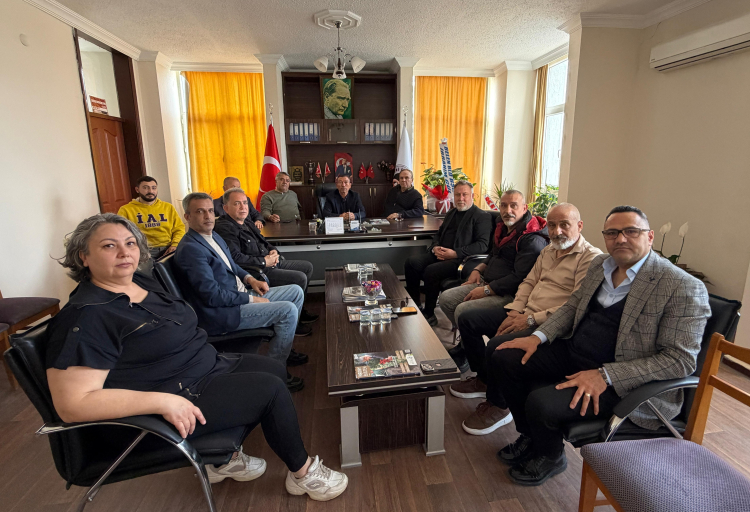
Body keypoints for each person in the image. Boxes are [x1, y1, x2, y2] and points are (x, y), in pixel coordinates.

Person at [45, 213, 347, 501]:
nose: (124, 252)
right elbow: (73, 405)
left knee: (272, 369)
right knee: (271, 391)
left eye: (130, 243)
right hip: (164, 405)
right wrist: (162, 402)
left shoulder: (138, 283)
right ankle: (303, 474)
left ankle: (223, 460)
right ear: (83, 257)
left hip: (199, 370)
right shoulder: (86, 317)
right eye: (109, 246)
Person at [491, 206, 710, 486]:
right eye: (612, 233)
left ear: (650, 236)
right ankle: (531, 435)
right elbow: (572, 306)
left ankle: (551, 455)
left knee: (541, 402)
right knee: (504, 355)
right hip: (577, 352)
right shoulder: (601, 265)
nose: (621, 239)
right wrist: (538, 337)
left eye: (631, 231)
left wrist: (605, 375)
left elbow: (680, 360)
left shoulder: (681, 286)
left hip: (624, 380)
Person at [449, 203, 602, 436]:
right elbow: (528, 282)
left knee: (496, 345)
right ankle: (484, 379)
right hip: (524, 311)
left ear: (579, 225)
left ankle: (499, 405)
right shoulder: (549, 250)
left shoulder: (591, 258)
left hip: (548, 323)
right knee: (468, 319)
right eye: (552, 225)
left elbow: (575, 305)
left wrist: (530, 319)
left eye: (564, 225)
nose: (557, 231)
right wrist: (516, 310)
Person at [173, 192, 307, 391]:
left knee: (295, 291)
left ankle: (284, 347)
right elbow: (212, 296)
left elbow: (232, 265)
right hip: (224, 311)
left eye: (210, 211)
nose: (208, 216)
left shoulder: (213, 236)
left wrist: (250, 279)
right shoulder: (191, 249)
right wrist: (251, 299)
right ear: (187, 216)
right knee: (287, 310)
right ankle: (276, 369)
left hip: (238, 295)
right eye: (200, 212)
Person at [214, 187, 319, 338]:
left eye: (245, 203)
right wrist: (264, 261)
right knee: (299, 278)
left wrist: (274, 251)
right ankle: (293, 324)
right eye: (237, 203)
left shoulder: (247, 222)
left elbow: (264, 241)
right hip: (258, 271)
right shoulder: (225, 228)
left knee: (306, 267)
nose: (243, 207)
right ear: (226, 208)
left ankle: (300, 311)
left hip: (270, 262)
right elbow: (235, 259)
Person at [438, 189, 549, 329]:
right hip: (488, 282)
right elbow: (493, 253)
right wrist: (478, 269)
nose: (507, 210)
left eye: (513, 205)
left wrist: (487, 290)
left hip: (510, 293)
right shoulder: (502, 226)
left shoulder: (532, 238)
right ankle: (467, 336)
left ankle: (474, 338)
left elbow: (520, 277)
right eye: (503, 205)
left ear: (524, 208)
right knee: (446, 299)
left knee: (463, 310)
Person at [404, 181, 491, 324]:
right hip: (441, 254)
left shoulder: (481, 216)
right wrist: (435, 247)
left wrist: (455, 253)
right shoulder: (451, 212)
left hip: (461, 260)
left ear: (472, 196)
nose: (461, 198)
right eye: (457, 195)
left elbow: (482, 245)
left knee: (431, 271)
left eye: (464, 194)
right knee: (411, 263)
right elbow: (439, 234)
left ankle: (429, 314)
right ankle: (416, 305)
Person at [117, 176, 185, 267]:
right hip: (142, 250)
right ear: (137, 189)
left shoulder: (168, 207)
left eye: (154, 188)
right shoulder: (126, 210)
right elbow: (120, 233)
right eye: (145, 188)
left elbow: (179, 228)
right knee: (148, 274)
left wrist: (175, 245)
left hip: (168, 248)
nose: (150, 191)